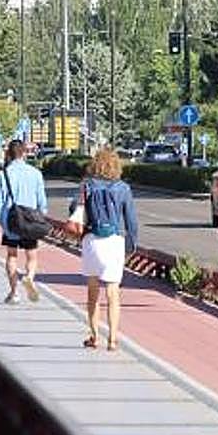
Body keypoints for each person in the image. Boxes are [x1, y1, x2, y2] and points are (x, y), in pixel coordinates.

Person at [71, 148, 138, 351]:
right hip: (114, 241)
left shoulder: (87, 185)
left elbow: (74, 208)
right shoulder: (123, 188)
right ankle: (113, 339)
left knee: (93, 293)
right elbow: (131, 222)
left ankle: (93, 335)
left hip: (92, 240)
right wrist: (131, 245)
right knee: (113, 293)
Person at [0, 139, 48, 304]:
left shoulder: (3, 174)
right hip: (30, 220)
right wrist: (41, 216)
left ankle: (14, 292)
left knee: (12, 255)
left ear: (9, 153)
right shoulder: (35, 173)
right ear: (23, 153)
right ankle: (29, 276)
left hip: (12, 220)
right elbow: (41, 201)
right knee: (32, 255)